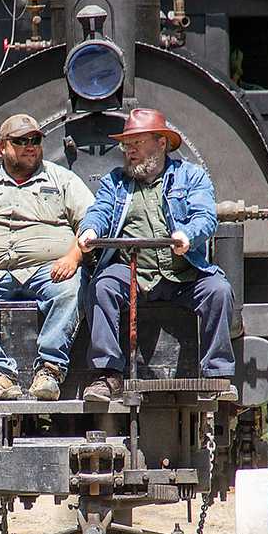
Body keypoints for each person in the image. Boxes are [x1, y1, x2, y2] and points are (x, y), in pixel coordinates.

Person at [76, 107, 234, 400]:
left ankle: (217, 376)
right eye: (127, 145)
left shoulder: (191, 176)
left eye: (137, 143)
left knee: (219, 290)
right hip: (133, 273)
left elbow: (205, 216)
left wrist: (188, 235)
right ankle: (107, 375)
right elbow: (99, 212)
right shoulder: (115, 182)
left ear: (161, 143)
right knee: (102, 286)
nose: (130, 151)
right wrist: (90, 231)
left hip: (182, 273)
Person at [0, 113, 92, 401]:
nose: (30, 146)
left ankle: (49, 371)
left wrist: (74, 258)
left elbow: (91, 223)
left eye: (35, 140)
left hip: (48, 271)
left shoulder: (62, 179)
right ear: (2, 148)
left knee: (73, 288)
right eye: (20, 141)